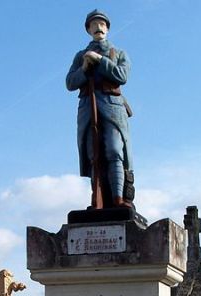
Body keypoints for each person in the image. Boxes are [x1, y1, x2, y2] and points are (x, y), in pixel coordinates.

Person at [66, 9, 135, 209]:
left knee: (114, 150)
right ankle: (97, 200)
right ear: (88, 29)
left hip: (113, 109)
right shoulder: (80, 56)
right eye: (94, 24)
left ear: (108, 28)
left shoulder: (119, 53)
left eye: (102, 24)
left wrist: (101, 61)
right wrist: (85, 67)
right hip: (88, 109)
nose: (99, 27)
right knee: (93, 156)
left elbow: (122, 75)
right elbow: (70, 82)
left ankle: (118, 199)